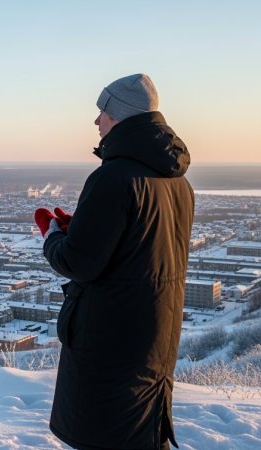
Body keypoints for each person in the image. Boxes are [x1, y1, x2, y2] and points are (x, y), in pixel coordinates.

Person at [37, 74, 194, 450]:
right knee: (141, 434)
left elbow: (78, 263)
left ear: (121, 115)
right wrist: (82, 230)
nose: (96, 121)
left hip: (110, 340)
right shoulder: (178, 183)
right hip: (154, 336)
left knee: (108, 438)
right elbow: (140, 249)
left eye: (103, 112)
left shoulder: (113, 177)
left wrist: (53, 236)